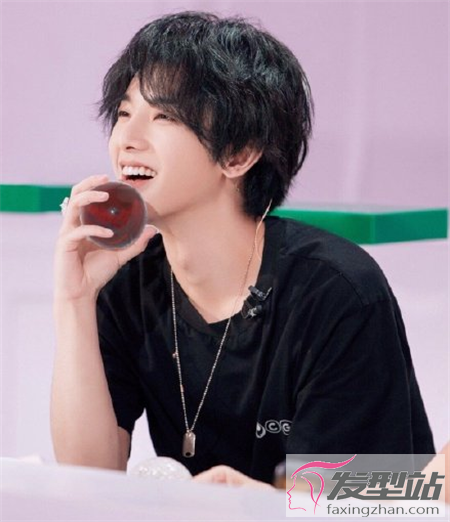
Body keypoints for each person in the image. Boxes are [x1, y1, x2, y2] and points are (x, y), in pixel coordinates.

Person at [51, 11, 435, 487]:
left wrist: (259, 504)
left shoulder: (335, 290)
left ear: (238, 154)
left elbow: (387, 496)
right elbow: (88, 477)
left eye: (164, 116)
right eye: (125, 114)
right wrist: (75, 299)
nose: (126, 140)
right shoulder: (128, 279)